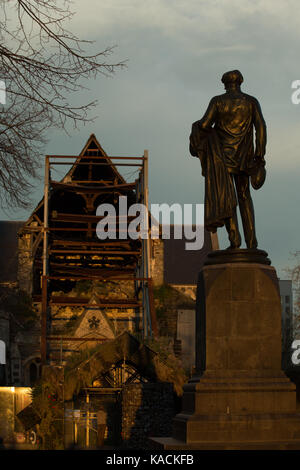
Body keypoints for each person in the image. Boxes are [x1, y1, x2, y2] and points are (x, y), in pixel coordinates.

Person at [190, 70, 267, 249]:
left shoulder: (217, 101)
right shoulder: (251, 101)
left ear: (224, 84)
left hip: (222, 157)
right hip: (245, 157)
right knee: (244, 195)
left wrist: (195, 129)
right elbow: (261, 127)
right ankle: (252, 242)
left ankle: (235, 241)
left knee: (227, 197)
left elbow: (204, 125)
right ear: (240, 82)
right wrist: (259, 155)